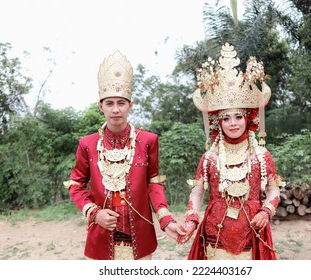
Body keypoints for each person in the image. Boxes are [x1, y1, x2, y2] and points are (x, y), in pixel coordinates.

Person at [64, 50, 184, 260]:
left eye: (121, 103)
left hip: (140, 237)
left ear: (130, 104)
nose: (116, 110)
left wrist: (165, 219)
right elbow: (76, 184)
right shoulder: (88, 144)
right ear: (101, 106)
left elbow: (153, 184)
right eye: (109, 103)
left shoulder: (148, 140)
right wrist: (94, 213)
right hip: (101, 237)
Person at [178, 43, 283, 260]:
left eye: (237, 117)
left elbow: (273, 191)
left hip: (252, 232)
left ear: (247, 118)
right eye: (226, 118)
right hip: (214, 232)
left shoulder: (262, 156)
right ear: (218, 122)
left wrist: (266, 211)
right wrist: (191, 217)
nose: (232, 123)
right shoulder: (209, 157)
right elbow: (198, 192)